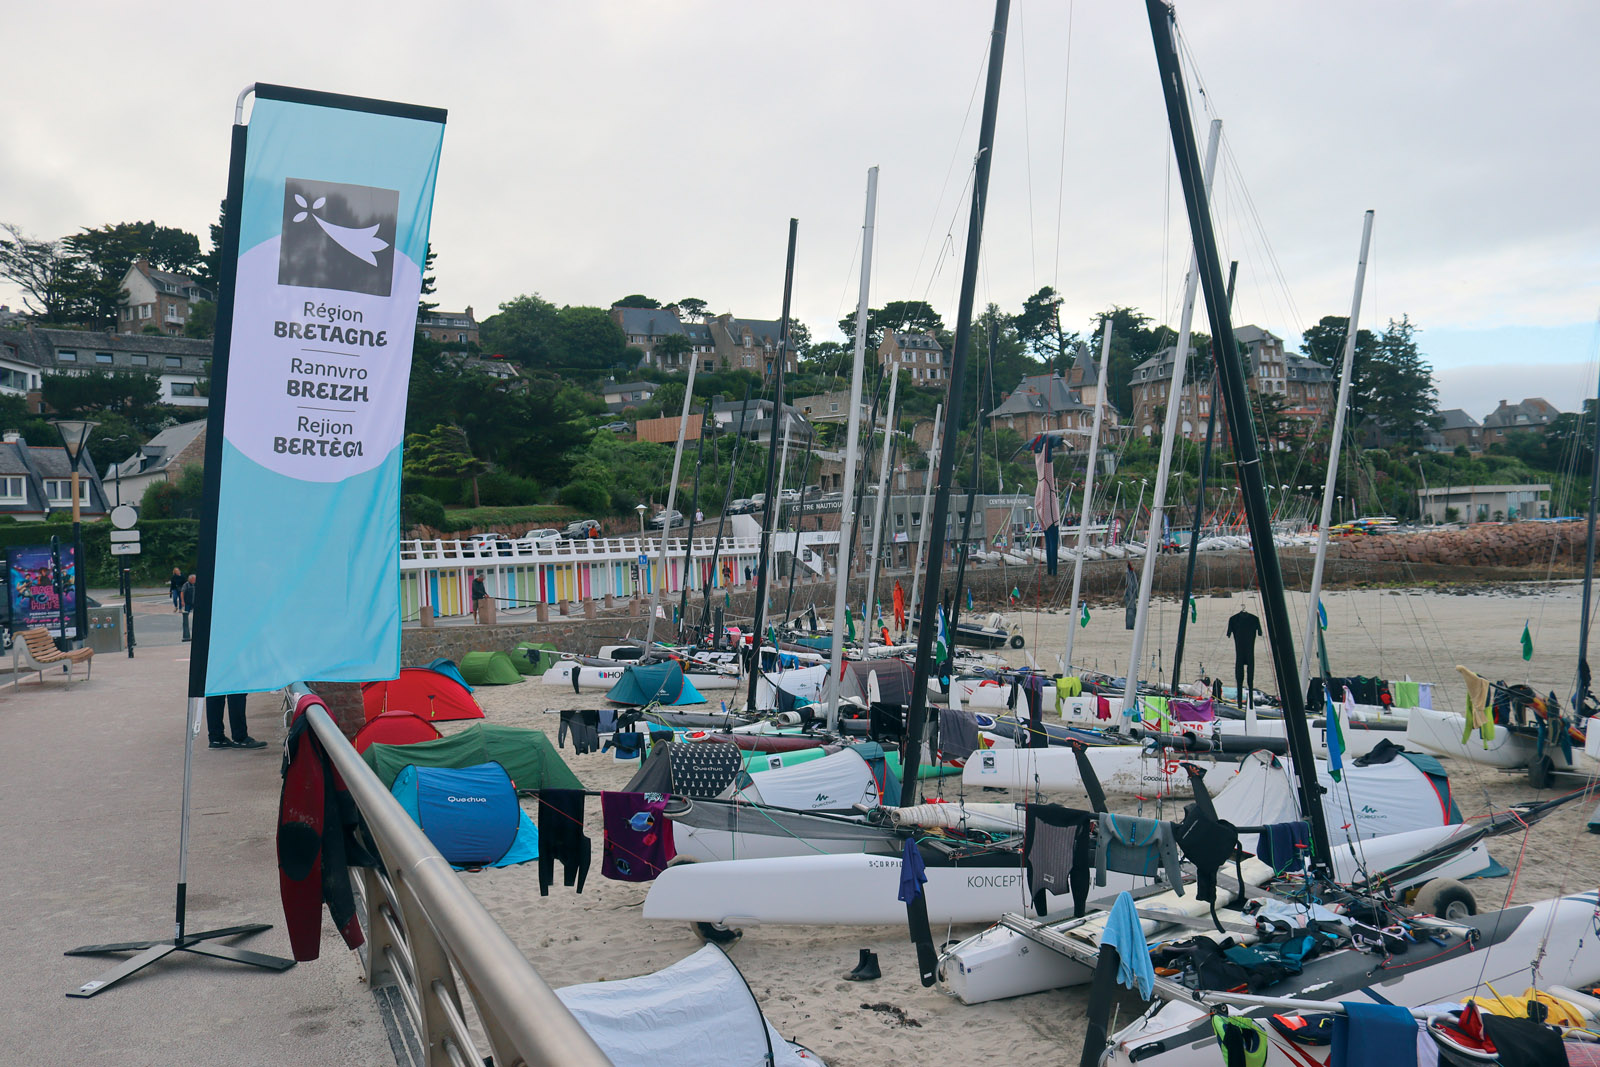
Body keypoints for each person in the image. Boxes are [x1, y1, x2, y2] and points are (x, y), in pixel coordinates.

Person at [1226, 605, 1262, 708]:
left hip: (1244, 653)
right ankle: (1240, 705)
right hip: (1245, 654)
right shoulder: (1233, 620)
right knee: (1240, 679)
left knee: (1250, 679)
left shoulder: (1255, 619)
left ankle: (1249, 704)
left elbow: (1259, 632)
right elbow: (1259, 633)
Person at [180, 573, 196, 641]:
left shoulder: (196, 584)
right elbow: (182, 592)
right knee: (186, 614)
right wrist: (182, 601)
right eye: (193, 579)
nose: (194, 580)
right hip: (188, 602)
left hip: (195, 602)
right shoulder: (186, 585)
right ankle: (185, 628)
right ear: (190, 579)